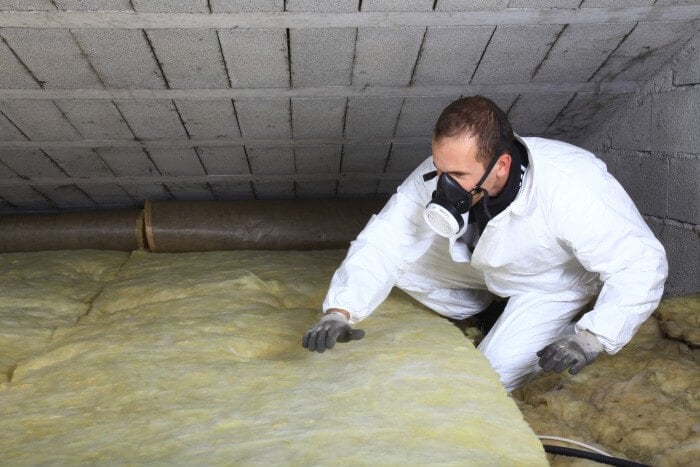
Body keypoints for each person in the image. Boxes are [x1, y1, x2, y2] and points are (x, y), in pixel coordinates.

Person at [302, 95, 668, 392]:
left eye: (458, 175)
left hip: (548, 283)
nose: (444, 185)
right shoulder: (440, 170)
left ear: (502, 165)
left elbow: (640, 264)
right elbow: (383, 242)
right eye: (441, 170)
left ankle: (556, 325)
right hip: (487, 264)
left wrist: (594, 337)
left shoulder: (572, 186)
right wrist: (340, 311)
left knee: (488, 379)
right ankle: (482, 309)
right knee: (402, 263)